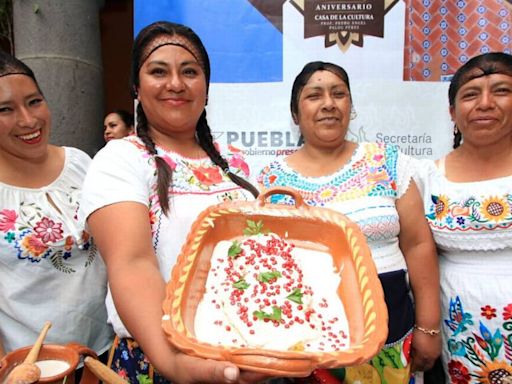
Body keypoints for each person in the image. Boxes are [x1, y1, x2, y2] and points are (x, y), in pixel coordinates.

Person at [79, 21, 262, 384]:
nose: (176, 83)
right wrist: (175, 361)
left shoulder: (236, 161)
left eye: (190, 71)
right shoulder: (120, 159)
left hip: (244, 351)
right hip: (160, 357)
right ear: (136, 86)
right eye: (158, 71)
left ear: (207, 89)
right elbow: (132, 264)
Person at [257, 61, 441, 383]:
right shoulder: (271, 180)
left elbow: (418, 244)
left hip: (392, 335)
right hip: (306, 345)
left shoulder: (387, 161)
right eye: (314, 95)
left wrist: (428, 325)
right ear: (295, 114)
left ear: (350, 107)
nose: (329, 103)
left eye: (338, 94)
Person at [0, 51, 113, 356]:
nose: (28, 120)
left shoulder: (80, 163)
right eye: (5, 109)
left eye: (34, 101)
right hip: (35, 365)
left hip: (109, 349)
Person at [414, 52, 512, 383]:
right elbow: (418, 253)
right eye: (471, 94)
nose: (485, 103)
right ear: (452, 113)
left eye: (501, 91)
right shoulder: (427, 177)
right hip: (459, 327)